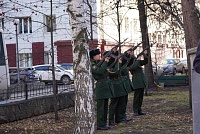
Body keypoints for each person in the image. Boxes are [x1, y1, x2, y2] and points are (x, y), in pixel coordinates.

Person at [90, 48, 114, 130]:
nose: (99, 56)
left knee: (105, 107)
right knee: (101, 108)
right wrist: (105, 62)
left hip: (105, 85)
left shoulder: (99, 62)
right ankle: (100, 125)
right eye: (97, 55)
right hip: (100, 86)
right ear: (94, 56)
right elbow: (99, 71)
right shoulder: (92, 64)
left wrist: (107, 60)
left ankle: (104, 124)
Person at [107, 48, 130, 125]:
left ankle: (119, 118)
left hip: (120, 84)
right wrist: (118, 63)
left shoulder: (118, 64)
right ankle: (111, 120)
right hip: (114, 85)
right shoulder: (110, 66)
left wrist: (127, 55)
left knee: (121, 102)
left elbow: (124, 67)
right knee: (114, 104)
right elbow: (115, 72)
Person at [129, 49, 148, 116]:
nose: (132, 53)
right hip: (136, 79)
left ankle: (139, 109)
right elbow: (132, 67)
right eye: (131, 52)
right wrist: (137, 60)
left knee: (140, 96)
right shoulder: (129, 60)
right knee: (137, 96)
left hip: (141, 79)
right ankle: (135, 110)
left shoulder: (136, 59)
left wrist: (145, 55)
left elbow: (145, 62)